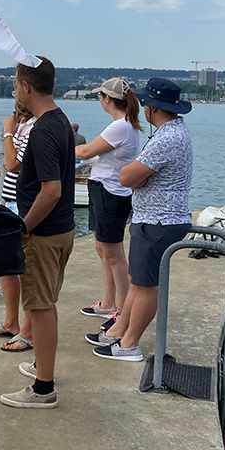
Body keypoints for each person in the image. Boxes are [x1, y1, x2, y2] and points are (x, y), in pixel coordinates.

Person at [91, 77, 193, 362]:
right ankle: (119, 331)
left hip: (159, 221)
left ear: (153, 108)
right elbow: (136, 175)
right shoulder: (174, 131)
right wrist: (138, 177)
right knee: (137, 282)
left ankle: (129, 344)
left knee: (147, 286)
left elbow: (126, 176)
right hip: (155, 218)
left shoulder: (167, 139)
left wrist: (136, 177)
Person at [0, 56, 75, 409]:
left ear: (26, 86)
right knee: (47, 303)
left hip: (43, 234)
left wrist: (23, 227)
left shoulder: (43, 130)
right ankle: (41, 365)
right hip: (62, 229)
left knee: (41, 307)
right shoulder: (60, 121)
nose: (16, 90)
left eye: (17, 84)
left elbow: (52, 190)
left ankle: (44, 388)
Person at [75, 78, 142, 320]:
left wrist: (60, 148)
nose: (100, 100)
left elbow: (85, 151)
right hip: (104, 190)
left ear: (108, 99)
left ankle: (122, 311)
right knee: (103, 248)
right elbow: (100, 155)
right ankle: (108, 302)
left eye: (100, 96)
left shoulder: (120, 127)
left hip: (109, 193)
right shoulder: (125, 125)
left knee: (114, 254)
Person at [0, 102, 35, 352]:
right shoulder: (22, 125)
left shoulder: (33, 127)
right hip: (10, 200)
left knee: (27, 268)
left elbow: (13, 163)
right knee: (6, 264)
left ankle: (28, 331)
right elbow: (9, 160)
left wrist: (7, 133)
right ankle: (11, 321)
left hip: (22, 203)